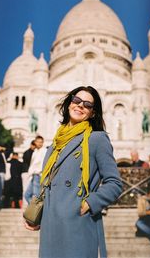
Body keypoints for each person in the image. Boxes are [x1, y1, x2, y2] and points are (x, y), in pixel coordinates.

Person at [25, 86, 122, 258]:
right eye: (76, 100)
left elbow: (114, 183)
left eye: (87, 104)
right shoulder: (55, 144)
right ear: (69, 103)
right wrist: (40, 215)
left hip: (77, 225)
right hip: (50, 226)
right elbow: (47, 186)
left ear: (93, 113)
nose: (80, 106)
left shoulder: (97, 139)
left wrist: (89, 203)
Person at [24, 136, 47, 204]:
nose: (39, 143)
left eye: (41, 142)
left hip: (38, 174)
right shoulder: (35, 151)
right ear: (35, 142)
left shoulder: (44, 151)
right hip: (33, 175)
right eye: (38, 142)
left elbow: (43, 163)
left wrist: (39, 171)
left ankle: (36, 211)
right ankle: (35, 210)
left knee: (36, 196)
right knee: (27, 195)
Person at [21, 140, 36, 205]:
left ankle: (27, 203)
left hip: (29, 172)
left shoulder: (32, 152)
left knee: (30, 188)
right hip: (26, 172)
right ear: (31, 145)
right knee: (25, 187)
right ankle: (25, 203)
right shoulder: (28, 153)